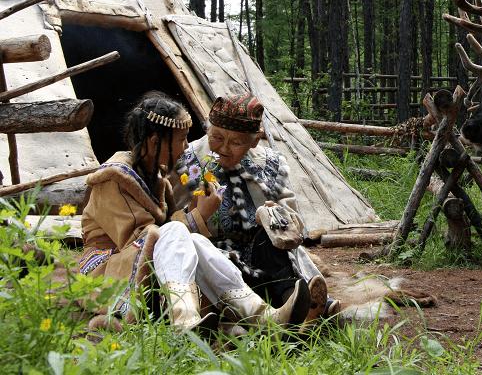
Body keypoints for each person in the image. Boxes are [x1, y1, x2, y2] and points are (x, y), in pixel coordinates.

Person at [78, 91, 311, 332]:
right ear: (156, 142)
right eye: (180, 139)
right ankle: (184, 318)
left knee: (195, 239)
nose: (186, 147)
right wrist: (198, 216)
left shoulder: (157, 180)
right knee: (181, 230)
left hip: (140, 266)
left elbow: (167, 238)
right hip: (104, 275)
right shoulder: (114, 179)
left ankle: (261, 316)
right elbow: (141, 239)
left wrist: (194, 209)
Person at [172, 92, 339, 326]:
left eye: (237, 142)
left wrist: (276, 218)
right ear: (207, 129)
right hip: (212, 257)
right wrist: (202, 213)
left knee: (269, 244)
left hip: (263, 258)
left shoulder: (271, 163)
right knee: (218, 264)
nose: (223, 148)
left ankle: (299, 306)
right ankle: (305, 312)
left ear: (255, 140)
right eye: (217, 137)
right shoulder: (184, 162)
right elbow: (172, 228)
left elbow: (295, 225)